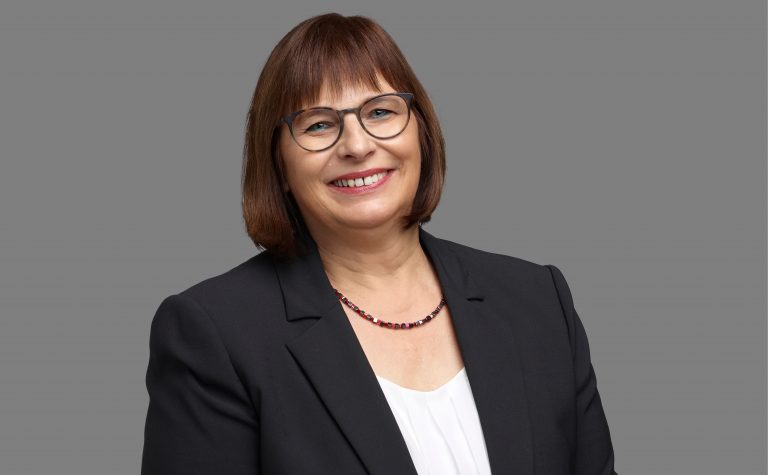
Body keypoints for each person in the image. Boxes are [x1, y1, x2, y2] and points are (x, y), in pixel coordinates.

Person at [141, 12, 618, 475]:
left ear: (420, 132)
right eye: (318, 124)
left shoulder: (538, 301)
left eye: (381, 112)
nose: (357, 145)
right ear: (279, 165)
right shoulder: (216, 334)